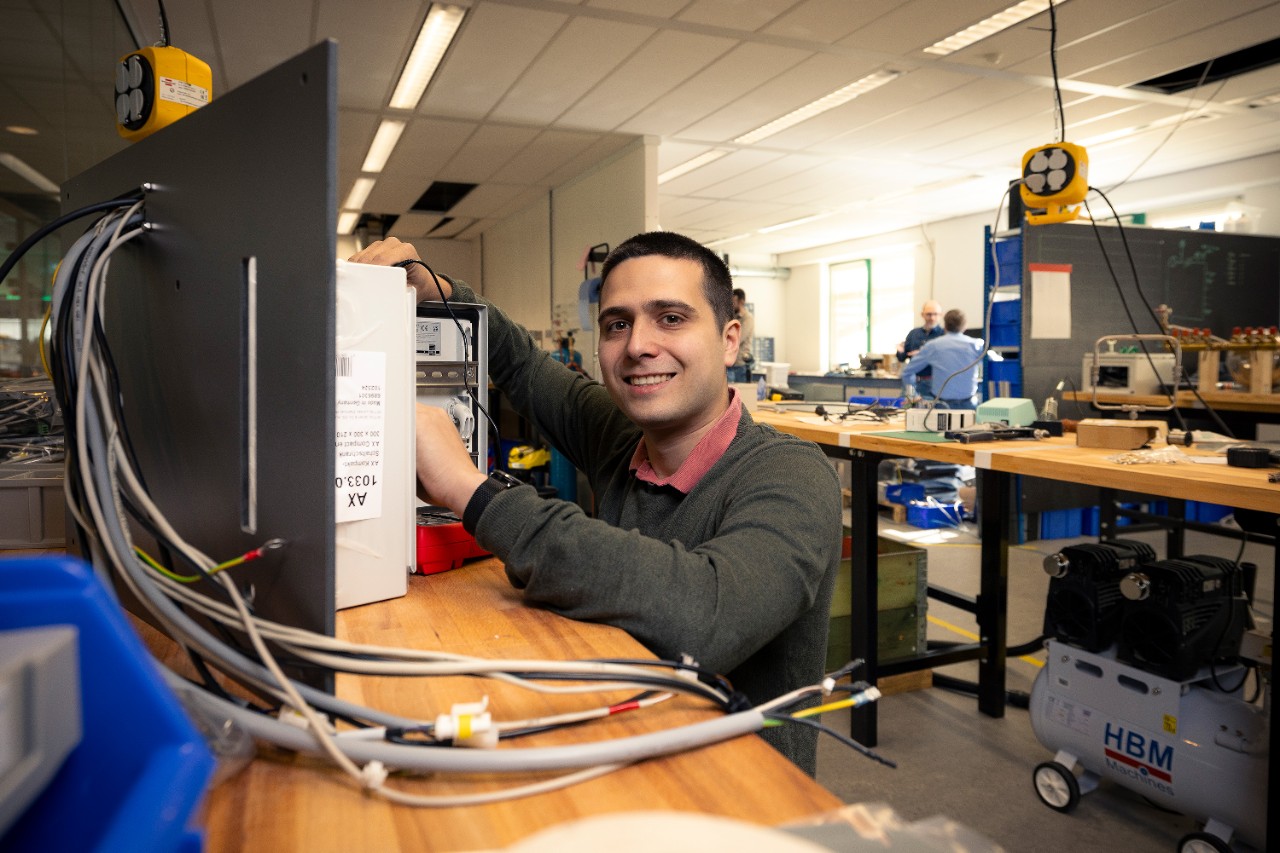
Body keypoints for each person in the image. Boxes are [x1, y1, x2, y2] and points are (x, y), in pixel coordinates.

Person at [349, 232, 842, 774]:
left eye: (671, 318)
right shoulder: (619, 435)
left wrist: (470, 491)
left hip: (742, 796)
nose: (637, 346)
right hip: (619, 751)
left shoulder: (790, 474)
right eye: (617, 324)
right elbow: (524, 365)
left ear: (729, 340)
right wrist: (443, 293)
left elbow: (707, 619)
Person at [900, 308, 987, 407]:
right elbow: (995, 365)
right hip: (969, 404)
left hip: (942, 406)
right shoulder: (976, 345)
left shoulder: (933, 346)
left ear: (945, 325)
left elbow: (907, 372)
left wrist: (913, 396)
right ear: (965, 325)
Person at [895, 300, 943, 399]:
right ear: (922, 315)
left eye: (935, 314)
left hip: (933, 384)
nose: (932, 318)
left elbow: (945, 359)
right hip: (912, 382)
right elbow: (902, 357)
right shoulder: (913, 334)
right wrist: (900, 351)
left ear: (940, 315)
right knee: (904, 410)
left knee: (932, 412)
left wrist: (923, 353)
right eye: (929, 314)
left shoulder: (944, 335)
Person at [726, 288, 754, 383]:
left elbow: (738, 338)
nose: (732, 304)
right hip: (730, 363)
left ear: (741, 301)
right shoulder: (733, 318)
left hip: (740, 365)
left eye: (734, 301)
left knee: (741, 394)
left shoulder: (747, 319)